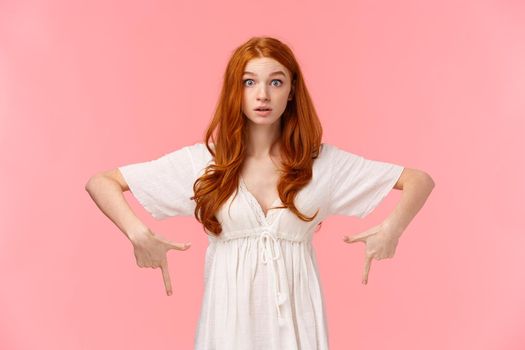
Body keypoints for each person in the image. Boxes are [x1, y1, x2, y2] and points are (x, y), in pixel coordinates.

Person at [85, 36, 435, 350]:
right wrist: (138, 234)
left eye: (276, 82)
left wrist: (392, 230)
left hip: (299, 331)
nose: (262, 94)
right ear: (235, 91)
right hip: (225, 332)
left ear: (292, 89)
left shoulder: (322, 164)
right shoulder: (204, 164)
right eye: (249, 82)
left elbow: (419, 180)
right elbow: (102, 182)